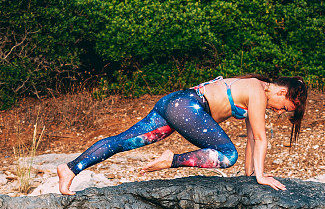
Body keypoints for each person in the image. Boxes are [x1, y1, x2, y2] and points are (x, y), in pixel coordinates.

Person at [56, 75, 308, 194]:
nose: (278, 111)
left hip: (175, 103)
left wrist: (251, 175)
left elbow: (253, 137)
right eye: (284, 107)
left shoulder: (254, 88)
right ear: (284, 93)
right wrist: (262, 177)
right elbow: (262, 137)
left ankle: (70, 169)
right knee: (227, 154)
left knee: (124, 141)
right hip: (187, 107)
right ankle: (171, 160)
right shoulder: (257, 89)